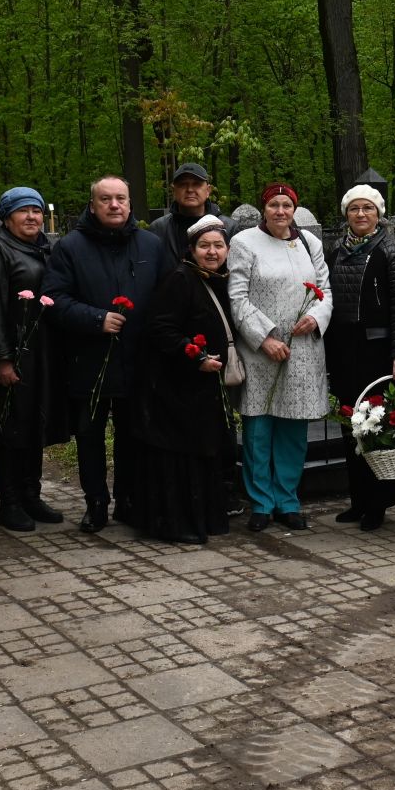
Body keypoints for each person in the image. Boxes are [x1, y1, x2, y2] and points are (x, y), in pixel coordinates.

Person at [41, 175, 174, 533]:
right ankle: (96, 501)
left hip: (139, 362)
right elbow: (53, 300)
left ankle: (129, 500)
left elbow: (168, 299)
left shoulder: (151, 245)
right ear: (92, 205)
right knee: (90, 436)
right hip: (90, 360)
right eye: (106, 199)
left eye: (121, 199)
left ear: (130, 204)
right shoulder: (70, 247)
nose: (114, 205)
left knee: (134, 436)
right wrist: (95, 319)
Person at [229, 183, 334, 532]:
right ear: (264, 208)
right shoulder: (245, 243)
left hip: (303, 350)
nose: (280, 211)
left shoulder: (310, 243)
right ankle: (261, 502)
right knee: (259, 427)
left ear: (294, 209)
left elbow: (325, 289)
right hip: (261, 353)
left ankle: (287, 500)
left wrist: (316, 317)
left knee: (293, 427)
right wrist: (264, 339)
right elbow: (238, 298)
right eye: (273, 205)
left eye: (286, 205)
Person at [139, 214, 238, 543]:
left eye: (218, 245)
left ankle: (204, 519)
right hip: (178, 386)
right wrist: (195, 357)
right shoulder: (180, 279)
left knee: (204, 452)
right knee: (183, 457)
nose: (212, 252)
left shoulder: (215, 279)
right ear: (191, 250)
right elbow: (161, 328)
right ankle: (180, 524)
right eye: (205, 246)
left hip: (203, 387)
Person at [325, 183, 395, 530]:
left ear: (378, 214)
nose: (361, 215)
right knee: (351, 425)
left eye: (368, 209)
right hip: (344, 349)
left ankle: (379, 502)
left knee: (377, 426)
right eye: (354, 209)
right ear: (346, 214)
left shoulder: (390, 250)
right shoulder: (335, 251)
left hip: (377, 350)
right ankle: (358, 499)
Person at [0, 186, 63, 531]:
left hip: (41, 352)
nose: (32, 217)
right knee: (9, 427)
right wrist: (2, 358)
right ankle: (9, 501)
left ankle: (31, 493)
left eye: (37, 211)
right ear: (7, 217)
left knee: (34, 423)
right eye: (23, 211)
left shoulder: (43, 248)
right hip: (13, 351)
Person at [150, 162, 224, 261]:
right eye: (183, 184)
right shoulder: (158, 229)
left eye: (196, 184)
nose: (189, 189)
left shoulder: (228, 227)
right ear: (174, 191)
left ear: (208, 190)